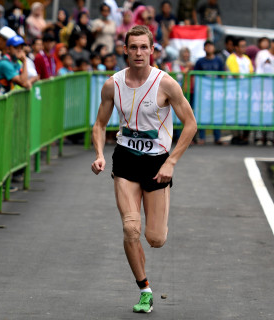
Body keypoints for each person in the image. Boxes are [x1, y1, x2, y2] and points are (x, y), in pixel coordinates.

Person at [91, 25, 197, 313]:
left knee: (155, 239)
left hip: (157, 165)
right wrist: (100, 154)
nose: (138, 52)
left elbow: (191, 124)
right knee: (130, 228)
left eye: (143, 47)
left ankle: (147, 250)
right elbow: (100, 124)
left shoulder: (166, 84)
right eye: (133, 47)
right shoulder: (112, 84)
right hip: (125, 160)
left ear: (152, 50)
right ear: (125, 50)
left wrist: (171, 162)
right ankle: (144, 289)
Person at [194, 40, 225, 145]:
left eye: (210, 46)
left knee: (217, 113)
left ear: (213, 48)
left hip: (216, 92)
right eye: (207, 46)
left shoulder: (219, 61)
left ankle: (217, 137)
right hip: (203, 92)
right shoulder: (200, 62)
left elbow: (222, 75)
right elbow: (195, 76)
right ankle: (201, 137)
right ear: (204, 48)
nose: (209, 48)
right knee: (202, 113)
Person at [225, 37, 253, 145]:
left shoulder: (247, 59)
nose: (244, 48)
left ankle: (245, 136)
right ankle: (236, 135)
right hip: (234, 92)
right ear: (236, 47)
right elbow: (235, 74)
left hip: (246, 92)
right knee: (235, 113)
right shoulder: (231, 58)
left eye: (245, 46)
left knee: (246, 113)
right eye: (242, 46)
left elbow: (251, 73)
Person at [254, 38, 274, 146]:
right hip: (262, 88)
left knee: (271, 112)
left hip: (273, 90)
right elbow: (258, 70)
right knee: (260, 111)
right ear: (272, 44)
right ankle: (259, 136)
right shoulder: (262, 54)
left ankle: (270, 137)